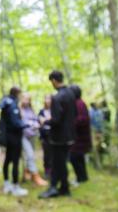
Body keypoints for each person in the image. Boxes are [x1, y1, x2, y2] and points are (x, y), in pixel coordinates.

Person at [40, 71, 77, 199]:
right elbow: (74, 114)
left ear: (54, 80)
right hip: (70, 136)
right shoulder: (71, 94)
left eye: (51, 82)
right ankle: (62, 187)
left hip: (58, 138)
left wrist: (45, 121)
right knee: (60, 163)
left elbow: (56, 120)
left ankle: (55, 188)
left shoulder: (57, 97)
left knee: (57, 163)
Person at [0, 86, 29, 197]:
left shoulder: (6, 103)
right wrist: (28, 124)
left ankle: (7, 183)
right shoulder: (12, 105)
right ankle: (15, 186)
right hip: (14, 138)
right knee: (15, 161)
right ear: (17, 94)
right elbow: (15, 122)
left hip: (8, 137)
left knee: (8, 159)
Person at [21, 93, 47, 186]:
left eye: (28, 99)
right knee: (30, 154)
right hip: (23, 136)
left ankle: (28, 172)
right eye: (25, 99)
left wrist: (38, 122)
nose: (26, 101)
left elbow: (36, 119)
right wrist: (31, 124)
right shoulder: (19, 110)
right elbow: (21, 122)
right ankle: (36, 176)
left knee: (30, 155)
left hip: (32, 135)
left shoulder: (31, 109)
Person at [69, 85, 92, 184]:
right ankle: (83, 177)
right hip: (80, 136)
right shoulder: (78, 103)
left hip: (80, 137)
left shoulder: (79, 104)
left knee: (74, 157)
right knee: (79, 157)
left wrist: (70, 123)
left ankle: (80, 178)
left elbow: (82, 119)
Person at [38, 95, 52, 179]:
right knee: (46, 154)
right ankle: (47, 171)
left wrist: (45, 120)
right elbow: (40, 122)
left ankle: (53, 170)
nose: (48, 100)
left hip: (53, 135)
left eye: (49, 98)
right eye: (46, 98)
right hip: (44, 136)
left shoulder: (55, 110)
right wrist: (48, 120)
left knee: (53, 154)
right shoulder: (41, 111)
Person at [89, 103, 104, 168]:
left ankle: (98, 163)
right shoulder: (92, 112)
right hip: (95, 131)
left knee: (97, 147)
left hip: (97, 131)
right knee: (95, 147)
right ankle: (97, 163)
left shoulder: (94, 112)